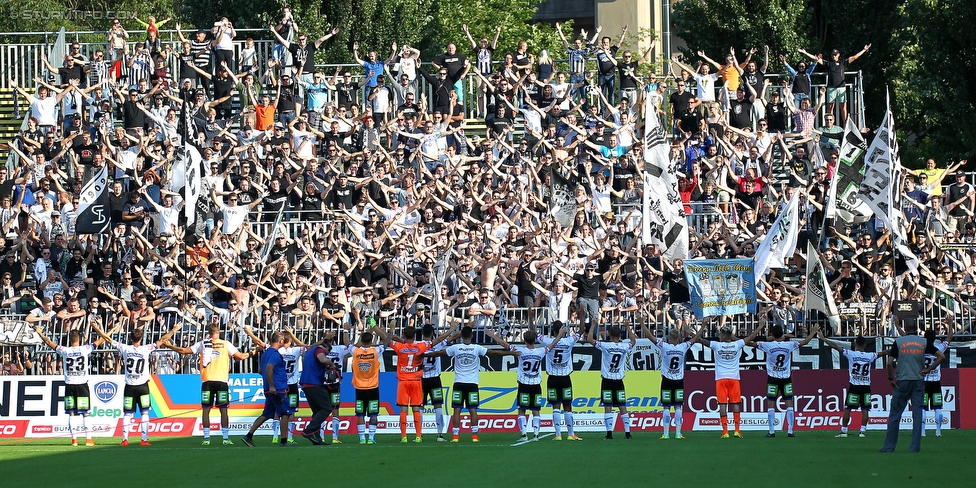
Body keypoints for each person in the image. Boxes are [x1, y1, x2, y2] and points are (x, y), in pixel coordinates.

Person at [163, 322, 252, 445]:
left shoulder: (203, 343)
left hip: (207, 380)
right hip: (221, 381)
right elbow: (241, 357)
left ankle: (206, 438)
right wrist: (254, 351)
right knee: (224, 410)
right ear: (219, 332)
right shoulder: (226, 344)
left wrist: (169, 346)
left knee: (206, 410)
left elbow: (184, 351)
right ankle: (225, 438)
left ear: (208, 333)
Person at [91, 323, 179, 446]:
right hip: (143, 386)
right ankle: (144, 439)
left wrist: (97, 329)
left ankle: (124, 439)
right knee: (144, 413)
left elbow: (108, 339)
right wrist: (173, 329)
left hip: (130, 386)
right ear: (141, 339)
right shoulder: (146, 349)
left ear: (131, 339)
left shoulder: (125, 348)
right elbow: (162, 340)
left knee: (127, 413)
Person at [424, 326, 511, 442]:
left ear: (461, 336)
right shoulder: (476, 348)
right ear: (472, 336)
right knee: (473, 409)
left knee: (457, 410)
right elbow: (493, 352)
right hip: (472, 383)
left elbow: (439, 353)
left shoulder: (455, 348)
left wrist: (424, 355)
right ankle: (474, 435)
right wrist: (510, 353)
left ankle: (455, 435)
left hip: (458, 383)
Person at [33, 326, 109, 446]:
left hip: (69, 385)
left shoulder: (64, 350)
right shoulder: (85, 349)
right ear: (79, 339)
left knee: (72, 413)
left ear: (70, 340)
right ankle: (88, 439)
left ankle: (74, 440)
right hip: (82, 385)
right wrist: (112, 330)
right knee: (85, 413)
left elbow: (48, 342)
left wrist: (40, 333)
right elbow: (101, 340)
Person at [488, 326, 565, 441]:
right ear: (534, 340)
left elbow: (504, 344)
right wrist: (560, 333)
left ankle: (524, 434)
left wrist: (493, 335)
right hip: (536, 384)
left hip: (524, 384)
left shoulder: (520, 351)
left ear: (524, 340)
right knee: (536, 410)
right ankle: (536, 435)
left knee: (521, 410)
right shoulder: (540, 351)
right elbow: (553, 344)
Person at [880, 320, 944, 453]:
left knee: (895, 415)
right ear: (917, 329)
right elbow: (941, 356)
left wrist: (890, 378)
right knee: (917, 414)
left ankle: (889, 447)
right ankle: (914, 448)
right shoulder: (923, 342)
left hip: (902, 380)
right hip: (919, 381)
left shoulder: (899, 342)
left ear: (906, 328)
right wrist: (929, 369)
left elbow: (889, 363)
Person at [748, 323, 819, 438]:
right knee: (789, 404)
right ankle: (790, 431)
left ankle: (771, 432)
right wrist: (813, 331)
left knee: (771, 405)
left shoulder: (767, 345)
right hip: (786, 378)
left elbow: (748, 343)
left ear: (772, 334)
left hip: (773, 378)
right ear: (783, 334)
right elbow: (805, 342)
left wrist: (758, 328)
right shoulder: (789, 345)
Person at [697, 325, 765, 438]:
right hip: (734, 378)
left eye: (720, 334)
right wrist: (760, 327)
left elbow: (700, 340)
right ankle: (737, 430)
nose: (719, 336)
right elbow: (751, 337)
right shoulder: (737, 344)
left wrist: (691, 332)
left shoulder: (716, 345)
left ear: (724, 336)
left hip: (720, 378)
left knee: (722, 405)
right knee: (735, 404)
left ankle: (725, 432)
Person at [819, 332, 889, 438]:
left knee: (848, 409)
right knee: (865, 409)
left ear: (855, 344)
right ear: (865, 345)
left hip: (854, 386)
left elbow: (835, 346)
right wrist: (899, 349)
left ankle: (844, 431)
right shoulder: (870, 356)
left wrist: (824, 338)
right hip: (866, 386)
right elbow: (883, 353)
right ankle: (862, 432)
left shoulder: (850, 353)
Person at [244, 326, 304, 445]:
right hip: (277, 388)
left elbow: (261, 370)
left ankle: (248, 436)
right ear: (280, 341)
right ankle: (284, 440)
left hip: (269, 388)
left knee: (267, 414)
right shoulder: (276, 354)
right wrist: (272, 385)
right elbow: (269, 368)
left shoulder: (266, 353)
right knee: (286, 413)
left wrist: (268, 383)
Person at [645, 325, 705, 439]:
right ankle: (678, 433)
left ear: (669, 338)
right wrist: (704, 325)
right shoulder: (683, 346)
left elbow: (649, 336)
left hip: (667, 380)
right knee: (678, 407)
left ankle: (666, 434)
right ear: (679, 338)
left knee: (666, 407)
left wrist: (641, 321)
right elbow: (696, 338)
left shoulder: (664, 346)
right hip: (678, 381)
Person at [586, 323, 638, 440]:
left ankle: (609, 433)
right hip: (619, 380)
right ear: (620, 335)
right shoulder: (624, 346)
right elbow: (633, 341)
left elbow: (589, 339)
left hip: (607, 381)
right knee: (622, 406)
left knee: (608, 406)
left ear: (609, 335)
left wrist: (593, 325)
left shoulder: (605, 346)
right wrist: (628, 327)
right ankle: (627, 433)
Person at [537, 320, 582, 441]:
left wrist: (531, 317)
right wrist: (581, 313)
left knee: (555, 406)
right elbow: (582, 329)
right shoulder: (569, 341)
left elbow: (533, 333)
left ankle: (557, 434)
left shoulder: (547, 341)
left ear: (553, 330)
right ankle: (571, 434)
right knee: (567, 406)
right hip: (565, 377)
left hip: (552, 378)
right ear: (563, 330)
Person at [299, 334, 340, 445]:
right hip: (314, 383)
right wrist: (331, 363)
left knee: (317, 411)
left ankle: (316, 439)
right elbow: (322, 359)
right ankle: (308, 430)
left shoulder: (310, 352)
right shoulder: (319, 350)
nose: (326, 354)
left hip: (306, 383)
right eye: (327, 352)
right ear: (325, 348)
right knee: (326, 408)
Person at [420, 323, 456, 441]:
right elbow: (450, 338)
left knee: (420, 407)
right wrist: (453, 329)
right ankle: (439, 434)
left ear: (422, 333)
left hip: (421, 380)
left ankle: (418, 434)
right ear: (432, 333)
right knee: (438, 406)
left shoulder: (417, 345)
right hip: (435, 379)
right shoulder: (438, 345)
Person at [351, 328, 388, 444]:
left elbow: (347, 344)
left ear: (361, 340)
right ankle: (371, 438)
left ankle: (362, 438)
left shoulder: (355, 351)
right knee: (373, 413)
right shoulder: (376, 351)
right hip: (373, 388)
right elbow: (386, 343)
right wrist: (391, 331)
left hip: (359, 388)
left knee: (360, 413)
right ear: (371, 341)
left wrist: (347, 331)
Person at [922, 320, 953, 437]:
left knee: (922, 408)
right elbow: (950, 337)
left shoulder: (920, 349)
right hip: (936, 382)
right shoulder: (939, 347)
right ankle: (938, 431)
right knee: (937, 407)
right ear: (935, 338)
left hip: (923, 382)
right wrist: (950, 324)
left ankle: (922, 432)